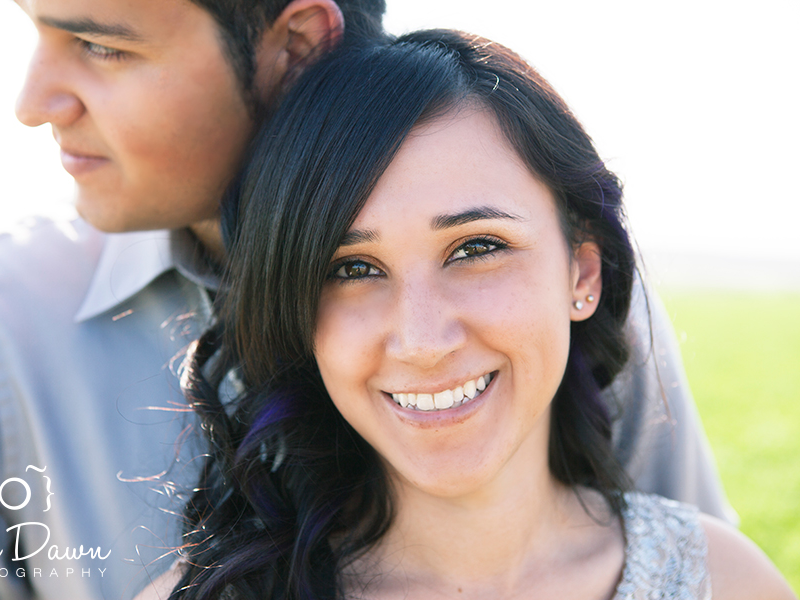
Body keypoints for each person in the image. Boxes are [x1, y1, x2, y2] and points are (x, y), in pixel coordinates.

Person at [0, 1, 729, 599]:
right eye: (349, 270)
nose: (32, 100)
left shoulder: (547, 294)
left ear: (294, 43)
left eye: (101, 45)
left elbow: (669, 559)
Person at [143, 31, 795, 600]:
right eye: (352, 268)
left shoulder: (723, 584)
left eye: (477, 248)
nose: (423, 341)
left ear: (582, 274)